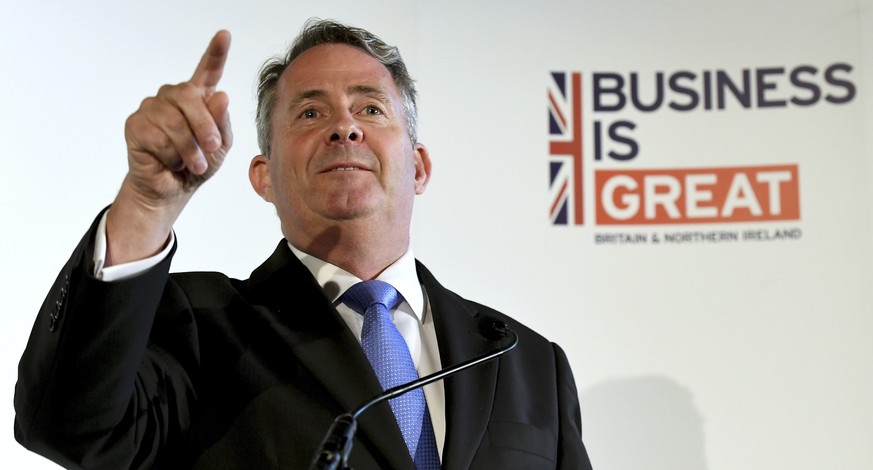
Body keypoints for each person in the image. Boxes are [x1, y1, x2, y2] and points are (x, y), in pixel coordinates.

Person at [14, 19, 593, 469]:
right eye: (311, 112)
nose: (346, 127)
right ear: (263, 176)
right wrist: (146, 204)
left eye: (370, 107)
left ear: (418, 167)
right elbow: (67, 425)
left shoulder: (525, 360)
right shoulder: (199, 328)